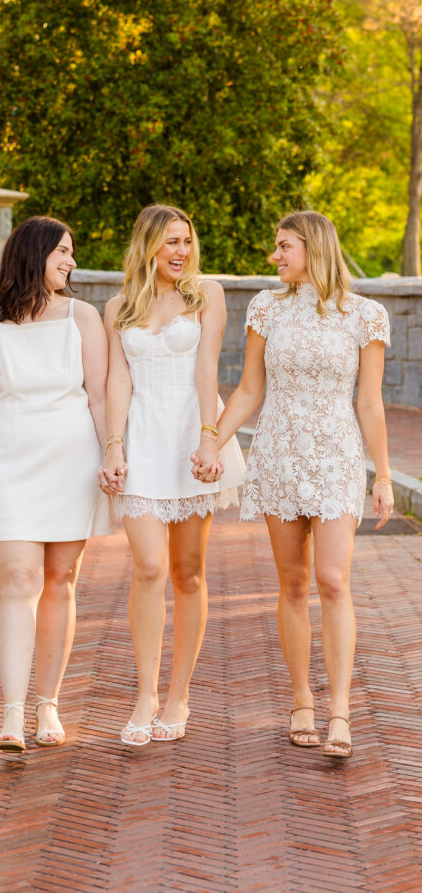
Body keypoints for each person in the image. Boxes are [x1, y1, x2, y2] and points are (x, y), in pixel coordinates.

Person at [193, 210, 393, 759]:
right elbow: (248, 389)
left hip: (336, 459)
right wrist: (212, 441)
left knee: (333, 580)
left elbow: (370, 402)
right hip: (278, 455)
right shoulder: (266, 308)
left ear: (314, 247)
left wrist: (382, 474)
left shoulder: (366, 315)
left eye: (284, 246)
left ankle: (340, 711)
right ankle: (302, 699)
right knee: (294, 584)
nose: (274, 256)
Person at [0, 216, 111, 753]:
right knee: (19, 580)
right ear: (35, 253)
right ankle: (11, 713)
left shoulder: (83, 316)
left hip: (73, 459)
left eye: (72, 252)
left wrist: (113, 454)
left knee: (60, 579)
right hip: (12, 462)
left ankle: (48, 704)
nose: (71, 261)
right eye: (63, 252)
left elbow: (99, 396)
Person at [99, 204, 245, 746]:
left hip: (189, 435)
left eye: (186, 241)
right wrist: (114, 446)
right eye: (170, 242)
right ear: (148, 247)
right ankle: (146, 694)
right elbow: (117, 380)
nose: (181, 251)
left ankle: (179, 694)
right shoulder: (118, 306)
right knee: (148, 566)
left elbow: (208, 369)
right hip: (141, 440)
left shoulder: (207, 294)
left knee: (187, 573)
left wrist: (210, 438)